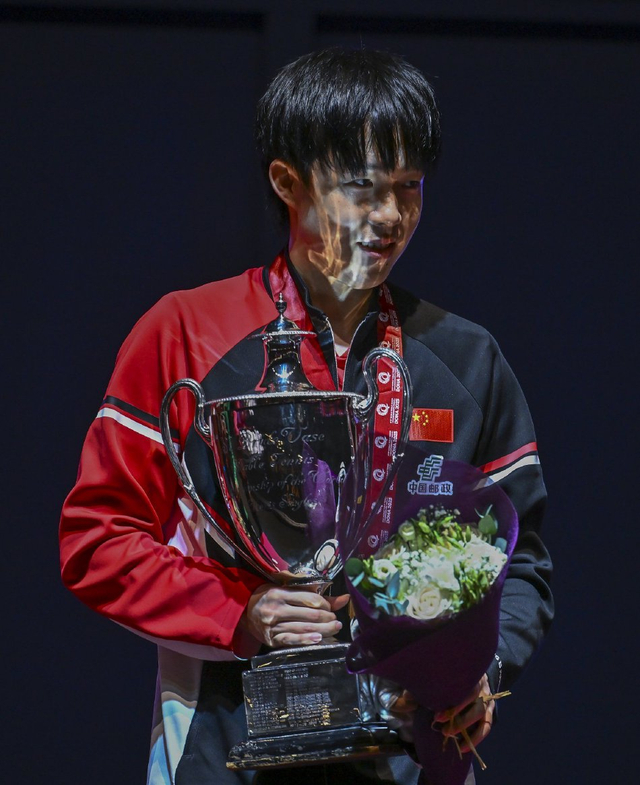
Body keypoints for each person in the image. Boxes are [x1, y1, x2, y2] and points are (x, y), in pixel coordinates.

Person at [59, 48, 553, 785]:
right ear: (287, 183)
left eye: (409, 186)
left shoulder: (468, 357)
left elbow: (520, 563)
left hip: (409, 756)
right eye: (362, 187)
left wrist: (483, 664)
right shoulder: (184, 333)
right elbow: (96, 540)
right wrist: (240, 612)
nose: (391, 216)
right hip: (223, 752)